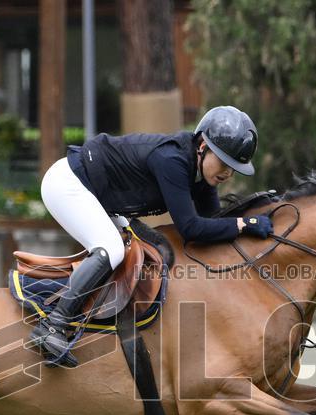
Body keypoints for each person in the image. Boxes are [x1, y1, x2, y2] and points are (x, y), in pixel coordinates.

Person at [29, 105, 273, 367]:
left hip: (96, 194)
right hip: (68, 183)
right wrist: (245, 223)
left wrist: (250, 226)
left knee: (133, 247)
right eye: (224, 162)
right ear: (202, 146)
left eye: (234, 168)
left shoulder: (201, 176)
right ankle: (53, 325)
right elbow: (191, 228)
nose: (227, 173)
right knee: (112, 249)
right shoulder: (173, 161)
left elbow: (212, 226)